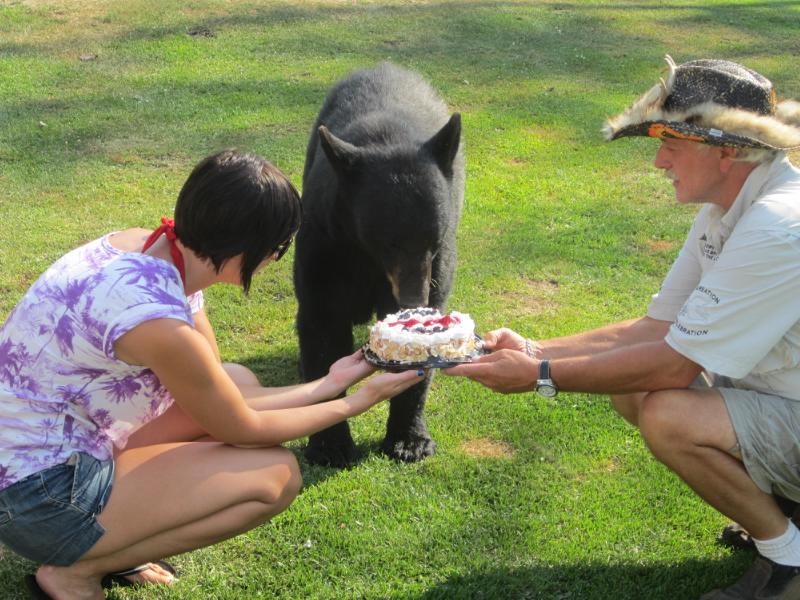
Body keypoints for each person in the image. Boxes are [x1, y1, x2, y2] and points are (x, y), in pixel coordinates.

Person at [444, 56, 800, 600]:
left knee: (668, 413)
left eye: (672, 144)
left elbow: (673, 364)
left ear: (727, 151)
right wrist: (534, 348)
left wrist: (540, 375)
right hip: (780, 397)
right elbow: (658, 328)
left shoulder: (776, 225)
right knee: (633, 389)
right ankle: (785, 510)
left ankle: (788, 557)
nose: (659, 161)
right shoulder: (728, 206)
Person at [0, 149, 424, 600]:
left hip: (43, 452)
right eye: (278, 247)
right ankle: (78, 569)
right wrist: (357, 401)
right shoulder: (159, 324)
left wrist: (331, 381)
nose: (276, 259)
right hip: (37, 496)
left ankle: (115, 537)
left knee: (236, 379)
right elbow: (242, 428)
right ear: (246, 248)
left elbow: (224, 396)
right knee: (274, 477)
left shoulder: (150, 247)